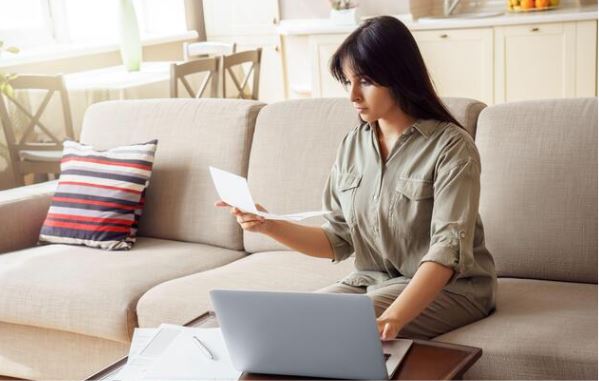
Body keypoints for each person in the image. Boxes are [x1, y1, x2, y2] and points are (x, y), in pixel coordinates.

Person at [215, 15, 496, 341]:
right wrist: (267, 224)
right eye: (347, 82)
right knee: (291, 319)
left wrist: (392, 317)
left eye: (364, 81)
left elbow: (447, 251)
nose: (352, 96)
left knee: (327, 330)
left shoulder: (451, 147)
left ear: (399, 76)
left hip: (454, 289)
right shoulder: (353, 145)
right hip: (373, 281)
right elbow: (337, 239)